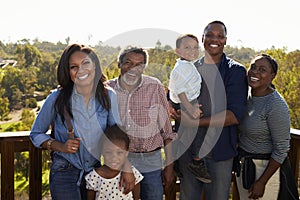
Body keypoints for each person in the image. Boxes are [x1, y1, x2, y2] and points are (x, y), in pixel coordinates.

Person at [30, 44, 134, 200]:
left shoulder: (108, 96)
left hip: (97, 172)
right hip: (64, 172)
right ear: (68, 71)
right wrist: (60, 146)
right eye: (74, 67)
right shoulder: (56, 98)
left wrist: (127, 168)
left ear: (95, 66)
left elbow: (118, 136)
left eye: (86, 63)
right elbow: (36, 133)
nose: (81, 70)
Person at [170, 21, 248, 200]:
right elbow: (174, 94)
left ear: (225, 40)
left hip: (219, 153)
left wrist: (196, 122)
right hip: (189, 151)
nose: (215, 39)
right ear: (203, 38)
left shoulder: (235, 71)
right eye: (210, 35)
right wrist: (170, 105)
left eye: (220, 36)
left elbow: (234, 115)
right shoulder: (189, 66)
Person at [107, 45, 176, 200]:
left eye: (139, 64)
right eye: (128, 63)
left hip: (151, 161)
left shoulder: (154, 86)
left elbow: (167, 131)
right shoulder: (108, 89)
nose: (133, 68)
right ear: (119, 64)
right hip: (119, 161)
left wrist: (169, 167)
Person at [236, 54, 299, 200]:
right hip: (245, 167)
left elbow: (282, 149)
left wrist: (262, 182)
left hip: (265, 171)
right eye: (253, 67)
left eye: (262, 69)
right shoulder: (247, 97)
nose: (255, 72)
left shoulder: (275, 105)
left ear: (272, 76)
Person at [168, 33, 211, 183]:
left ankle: (179, 161)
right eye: (187, 47)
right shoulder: (182, 68)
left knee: (188, 132)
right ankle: (196, 161)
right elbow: (180, 91)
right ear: (178, 51)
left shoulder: (186, 65)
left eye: (195, 47)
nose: (192, 50)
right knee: (198, 130)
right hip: (185, 102)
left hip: (188, 101)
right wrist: (190, 108)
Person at [85, 125, 143, 200]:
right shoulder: (93, 178)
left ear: (127, 152)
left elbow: (136, 198)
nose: (114, 157)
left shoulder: (133, 174)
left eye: (119, 153)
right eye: (108, 152)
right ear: (102, 151)